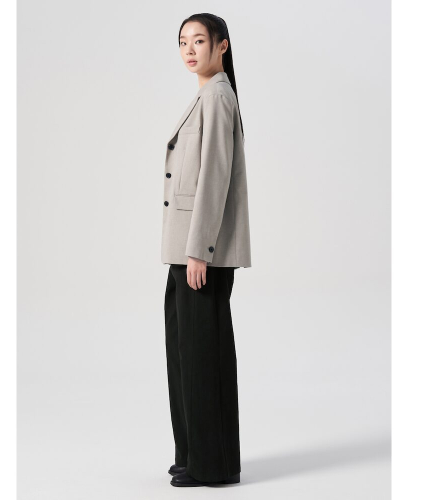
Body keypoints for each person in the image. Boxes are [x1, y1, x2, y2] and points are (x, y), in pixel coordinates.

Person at [162, 13, 252, 488]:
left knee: (202, 356)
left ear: (222, 46)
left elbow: (214, 178)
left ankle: (211, 466)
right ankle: (196, 454)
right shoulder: (207, 95)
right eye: (183, 42)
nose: (190, 50)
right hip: (186, 249)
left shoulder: (217, 96)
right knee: (187, 353)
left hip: (200, 252)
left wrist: (199, 250)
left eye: (199, 40)